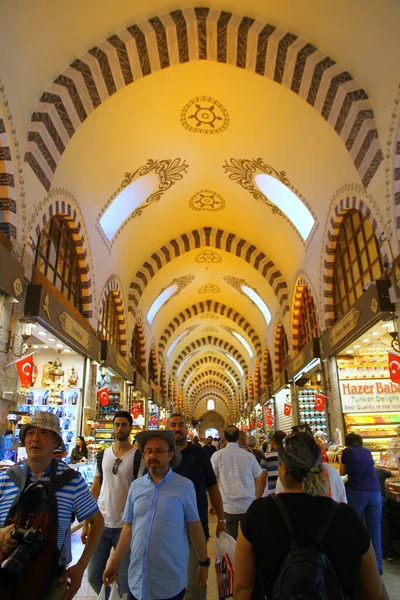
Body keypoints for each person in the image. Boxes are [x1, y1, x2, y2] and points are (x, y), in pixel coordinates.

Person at [234, 432, 388, 600]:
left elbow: (243, 588)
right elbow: (374, 591)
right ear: (319, 467)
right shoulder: (346, 516)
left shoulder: (258, 514)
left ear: (283, 468)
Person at [0, 412, 103, 600]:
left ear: (55, 441)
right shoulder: (6, 479)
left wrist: (80, 567)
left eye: (43, 433)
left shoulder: (71, 482)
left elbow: (97, 521)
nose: (35, 438)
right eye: (30, 433)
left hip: (51, 580)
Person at [102, 430, 209, 600]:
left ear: (170, 455)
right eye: (149, 451)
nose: (153, 455)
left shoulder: (184, 486)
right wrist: (114, 561)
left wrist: (203, 562)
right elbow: (129, 527)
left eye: (159, 451)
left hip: (168, 583)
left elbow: (194, 526)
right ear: (144, 455)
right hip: (138, 581)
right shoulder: (136, 486)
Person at [168, 413, 227, 600]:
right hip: (166, 530)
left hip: (196, 529)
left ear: (186, 428)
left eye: (180, 425)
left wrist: (221, 518)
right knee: (169, 584)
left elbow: (213, 486)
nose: (177, 429)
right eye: (173, 425)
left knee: (194, 586)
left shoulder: (198, 454)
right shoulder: (162, 455)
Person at [84, 411, 143, 598]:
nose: (120, 428)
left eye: (124, 425)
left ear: (130, 428)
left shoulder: (137, 457)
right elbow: (96, 487)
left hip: (126, 526)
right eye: (117, 424)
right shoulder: (103, 455)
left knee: (125, 578)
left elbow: (141, 490)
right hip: (102, 523)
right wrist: (87, 521)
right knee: (94, 576)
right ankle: (112, 596)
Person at [340, 432, 383, 574]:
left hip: (358, 492)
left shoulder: (347, 452)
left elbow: (341, 472)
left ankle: (357, 566)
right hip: (375, 492)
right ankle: (377, 567)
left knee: (354, 528)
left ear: (348, 442)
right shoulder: (367, 451)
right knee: (375, 531)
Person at [211, 425, 263, 540]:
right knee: (248, 540)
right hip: (248, 504)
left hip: (228, 506)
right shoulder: (249, 456)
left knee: (231, 541)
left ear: (224, 438)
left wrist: (212, 504)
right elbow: (258, 477)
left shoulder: (217, 456)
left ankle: (233, 557)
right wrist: (256, 497)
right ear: (238, 437)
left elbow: (212, 481)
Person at [260, 430, 286, 496]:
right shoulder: (290, 455)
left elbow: (262, 481)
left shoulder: (267, 457)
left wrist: (258, 497)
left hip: (273, 494)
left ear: (273, 441)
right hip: (288, 493)